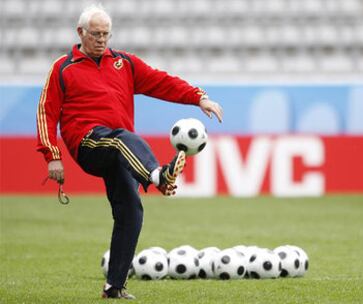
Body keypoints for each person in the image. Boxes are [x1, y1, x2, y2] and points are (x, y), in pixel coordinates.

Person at [36, 4, 223, 300]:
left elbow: (162, 82)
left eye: (106, 34)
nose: (101, 39)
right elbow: (46, 113)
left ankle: (114, 287)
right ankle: (158, 175)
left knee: (131, 212)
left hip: (122, 151)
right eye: (95, 34)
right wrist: (52, 155)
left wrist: (198, 98)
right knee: (122, 137)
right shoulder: (63, 68)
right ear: (80, 33)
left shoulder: (124, 63)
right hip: (88, 142)